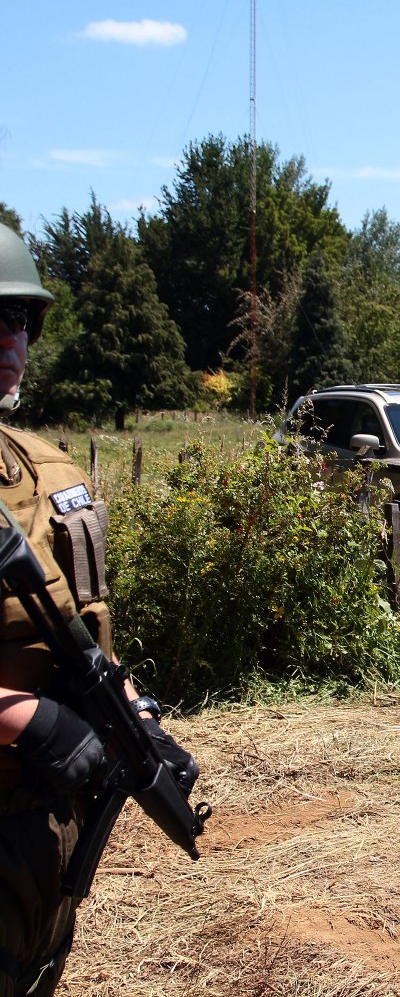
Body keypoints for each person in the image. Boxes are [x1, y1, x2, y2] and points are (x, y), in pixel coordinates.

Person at [0, 224, 199, 996]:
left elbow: (79, 628)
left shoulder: (43, 468)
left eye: (19, 319)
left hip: (43, 821)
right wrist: (21, 718)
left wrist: (130, 709)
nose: (8, 337)